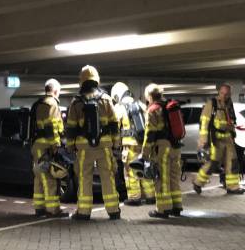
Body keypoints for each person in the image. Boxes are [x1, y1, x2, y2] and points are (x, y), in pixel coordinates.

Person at [65, 65, 121, 220]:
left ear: (81, 81)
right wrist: (116, 144)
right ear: (97, 79)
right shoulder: (106, 99)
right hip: (104, 146)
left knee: (84, 178)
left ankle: (83, 212)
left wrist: (70, 146)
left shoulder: (76, 102)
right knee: (108, 177)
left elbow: (70, 127)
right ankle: (114, 211)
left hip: (84, 148)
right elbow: (114, 123)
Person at [193, 83, 245, 195]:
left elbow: (231, 121)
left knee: (232, 162)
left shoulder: (229, 105)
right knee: (213, 163)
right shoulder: (211, 104)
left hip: (228, 139)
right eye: (222, 93)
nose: (224, 96)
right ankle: (198, 182)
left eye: (227, 94)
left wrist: (233, 134)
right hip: (215, 139)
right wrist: (203, 139)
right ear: (219, 92)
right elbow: (204, 122)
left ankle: (233, 187)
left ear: (230, 94)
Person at [142, 83, 184, 218]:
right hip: (175, 147)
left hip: (162, 148)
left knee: (161, 178)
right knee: (174, 178)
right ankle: (177, 207)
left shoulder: (153, 109)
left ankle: (163, 209)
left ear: (149, 96)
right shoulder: (170, 106)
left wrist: (144, 153)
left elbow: (150, 134)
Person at [111, 82, 155, 206]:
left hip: (129, 146)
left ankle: (134, 197)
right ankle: (151, 196)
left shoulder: (119, 108)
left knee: (130, 171)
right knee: (144, 167)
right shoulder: (141, 104)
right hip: (143, 144)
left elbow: (115, 128)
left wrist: (115, 144)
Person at [30, 79, 67, 217]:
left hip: (37, 146)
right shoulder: (52, 104)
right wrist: (56, 147)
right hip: (46, 146)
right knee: (50, 179)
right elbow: (53, 128)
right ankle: (53, 210)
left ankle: (39, 208)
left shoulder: (38, 104)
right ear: (56, 91)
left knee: (39, 179)